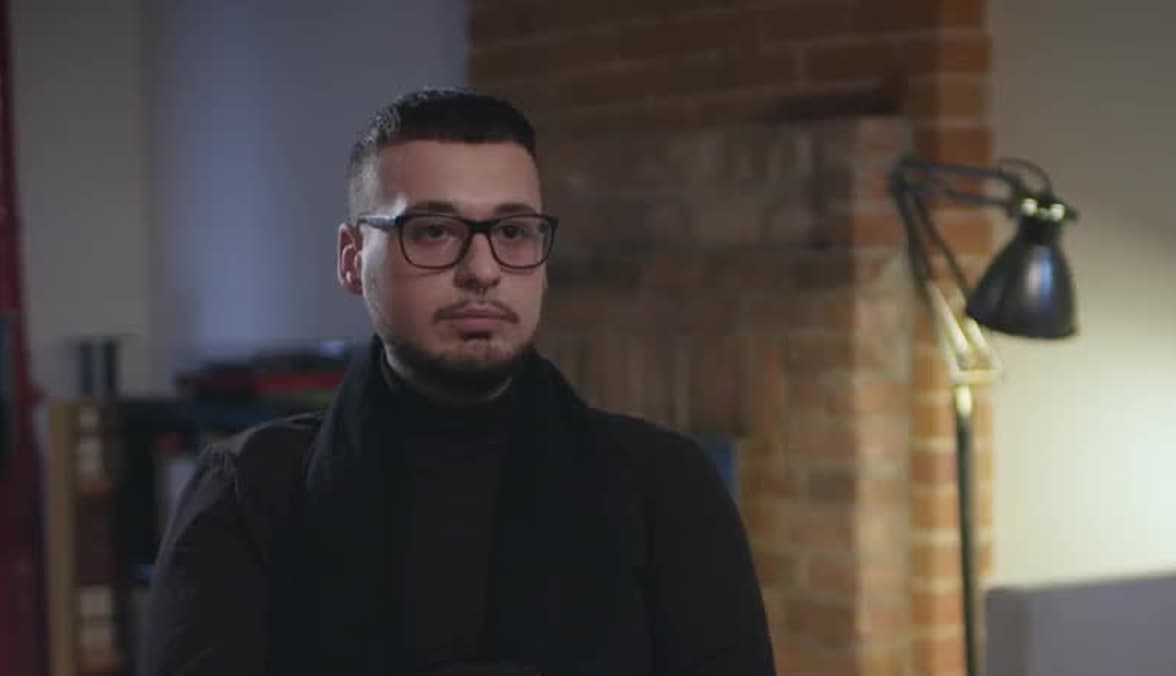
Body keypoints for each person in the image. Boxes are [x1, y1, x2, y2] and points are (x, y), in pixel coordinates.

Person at [143, 87, 776, 675]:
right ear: (351, 260)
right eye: (434, 231)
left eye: (512, 232)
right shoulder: (248, 493)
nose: (482, 269)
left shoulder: (666, 486)